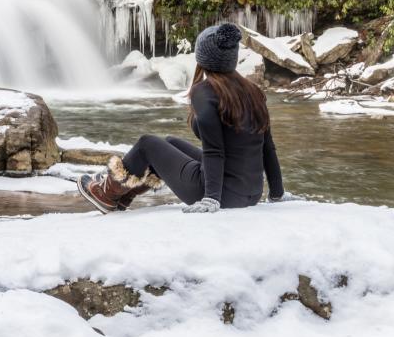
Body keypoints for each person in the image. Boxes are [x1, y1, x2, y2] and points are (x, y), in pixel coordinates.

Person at [76, 22, 297, 214]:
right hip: (251, 192)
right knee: (170, 142)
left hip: (221, 194)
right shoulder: (252, 91)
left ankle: (106, 194)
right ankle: (124, 196)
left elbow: (214, 150)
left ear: (203, 58)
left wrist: (211, 198)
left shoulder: (205, 91)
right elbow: (268, 148)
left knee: (147, 144)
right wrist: (277, 193)